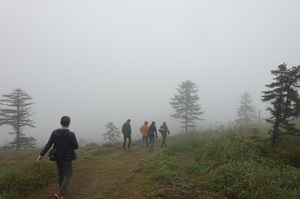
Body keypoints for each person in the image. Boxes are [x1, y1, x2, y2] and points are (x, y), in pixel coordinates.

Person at [36, 116, 78, 199]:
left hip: (57, 157)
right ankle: (60, 192)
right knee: (68, 174)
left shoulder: (54, 133)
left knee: (61, 174)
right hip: (67, 158)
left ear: (60, 123)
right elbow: (75, 146)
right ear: (69, 123)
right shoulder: (71, 134)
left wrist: (41, 155)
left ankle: (60, 194)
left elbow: (49, 144)